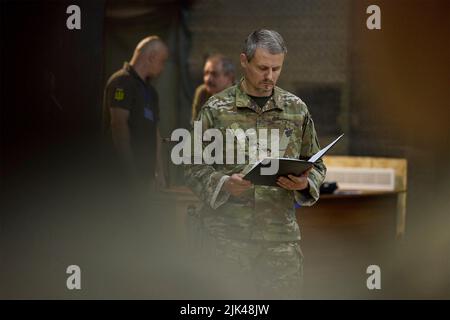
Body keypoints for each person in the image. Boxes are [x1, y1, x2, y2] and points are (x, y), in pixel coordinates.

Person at [184, 29, 326, 299]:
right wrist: (223, 183)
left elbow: (317, 164)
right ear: (244, 61)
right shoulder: (216, 109)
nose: (269, 76)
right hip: (227, 242)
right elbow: (190, 164)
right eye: (262, 68)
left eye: (276, 68)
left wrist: (306, 182)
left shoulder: (296, 110)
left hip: (280, 243)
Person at [103, 36, 169, 191]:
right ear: (152, 57)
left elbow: (156, 132)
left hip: (144, 178)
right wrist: (130, 173)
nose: (163, 67)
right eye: (162, 61)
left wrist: (159, 171)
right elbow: (118, 125)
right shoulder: (121, 82)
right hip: (119, 179)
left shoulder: (151, 92)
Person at [191, 54, 235, 124]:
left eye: (214, 74)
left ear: (229, 77)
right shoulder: (202, 92)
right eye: (206, 73)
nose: (208, 79)